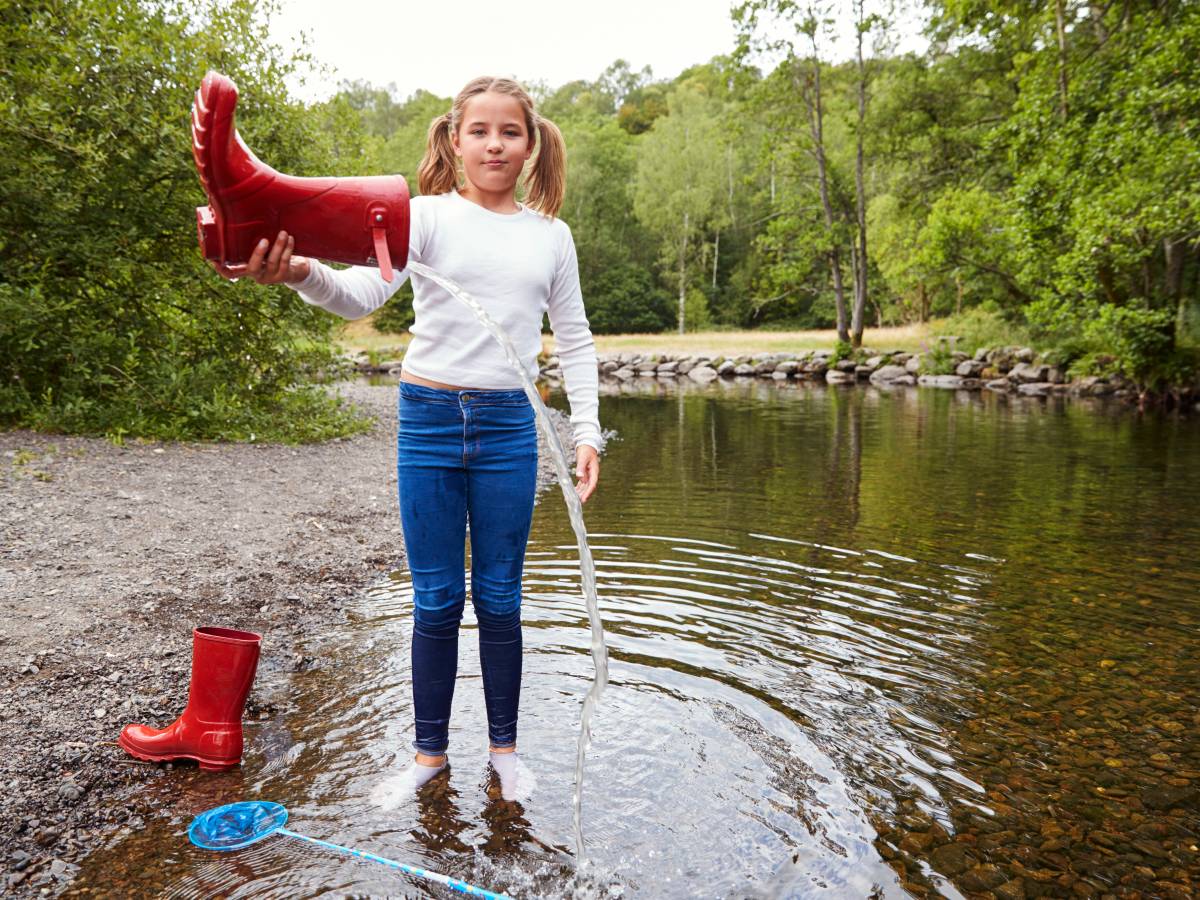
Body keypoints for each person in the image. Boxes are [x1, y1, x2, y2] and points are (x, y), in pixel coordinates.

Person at [211, 76, 602, 801]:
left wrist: (587, 432)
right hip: (426, 421)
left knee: (502, 599)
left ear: (531, 143)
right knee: (435, 601)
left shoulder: (552, 236)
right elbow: (358, 297)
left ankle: (505, 754)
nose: (494, 143)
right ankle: (427, 759)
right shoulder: (422, 218)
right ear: (454, 141)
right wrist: (298, 271)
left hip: (511, 427)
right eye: (479, 130)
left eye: (509, 132)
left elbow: (574, 340)